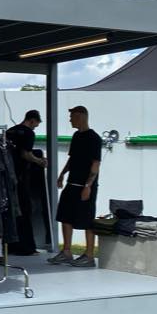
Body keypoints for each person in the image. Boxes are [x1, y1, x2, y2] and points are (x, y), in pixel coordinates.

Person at [49, 105, 102, 267]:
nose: (70, 120)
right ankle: (66, 251)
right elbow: (72, 159)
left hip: (85, 186)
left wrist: (88, 185)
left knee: (87, 219)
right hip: (71, 183)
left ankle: (89, 255)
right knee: (65, 216)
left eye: (72, 117)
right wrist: (62, 174)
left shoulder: (94, 138)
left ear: (81, 117)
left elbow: (96, 164)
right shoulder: (76, 136)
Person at [6, 109, 47, 255]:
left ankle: (11, 245)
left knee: (11, 212)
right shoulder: (29, 133)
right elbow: (25, 154)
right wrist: (39, 161)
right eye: (36, 124)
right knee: (24, 211)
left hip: (7, 177)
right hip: (21, 177)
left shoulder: (10, 131)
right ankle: (26, 247)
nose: (35, 127)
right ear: (32, 120)